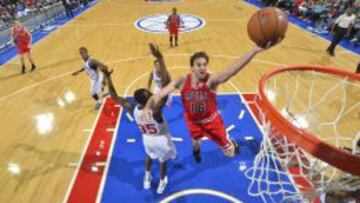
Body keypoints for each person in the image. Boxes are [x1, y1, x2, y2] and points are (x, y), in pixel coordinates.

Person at [142, 42, 279, 163]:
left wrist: (254, 49)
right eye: (199, 65)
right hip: (192, 120)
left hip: (212, 121)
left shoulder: (211, 81)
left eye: (204, 65)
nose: (202, 67)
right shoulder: (182, 81)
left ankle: (232, 144)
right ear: (192, 68)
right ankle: (196, 153)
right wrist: (148, 106)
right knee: (195, 142)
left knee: (229, 153)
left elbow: (231, 71)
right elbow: (160, 93)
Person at [104, 43, 176, 194]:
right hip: (161, 139)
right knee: (163, 161)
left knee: (149, 156)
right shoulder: (155, 110)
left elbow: (115, 97)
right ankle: (162, 181)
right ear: (148, 99)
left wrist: (108, 78)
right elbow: (166, 84)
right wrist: (160, 57)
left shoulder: (133, 108)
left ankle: (147, 176)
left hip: (147, 138)